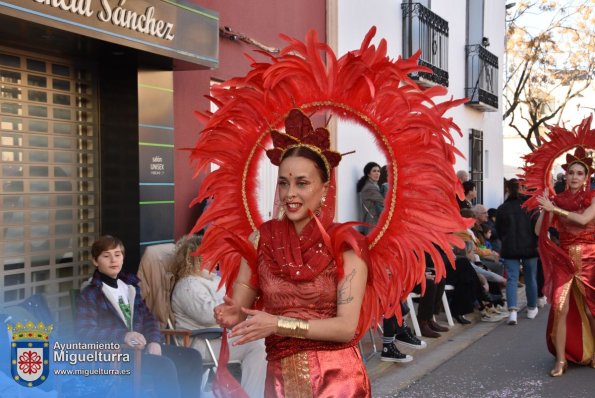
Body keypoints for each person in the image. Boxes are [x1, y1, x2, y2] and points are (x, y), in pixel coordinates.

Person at [213, 110, 371, 396]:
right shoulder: (261, 238)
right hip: (279, 380)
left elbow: (347, 327)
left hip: (336, 381)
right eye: (284, 183)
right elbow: (241, 308)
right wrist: (231, 314)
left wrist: (277, 323)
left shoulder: (345, 245)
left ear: (324, 189)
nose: (289, 194)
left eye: (302, 183)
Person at [76, 235, 203, 398]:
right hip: (116, 357)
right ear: (95, 261)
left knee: (192, 357)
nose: (113, 260)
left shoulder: (129, 287)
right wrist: (123, 336)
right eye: (106, 256)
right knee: (165, 365)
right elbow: (84, 331)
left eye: (117, 254)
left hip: (140, 351)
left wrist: (154, 341)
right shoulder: (91, 293)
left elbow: (149, 319)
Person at [170, 234, 266, 398]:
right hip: (201, 342)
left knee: (263, 341)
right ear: (196, 258)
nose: (215, 258)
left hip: (218, 338)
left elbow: (232, 307)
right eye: (210, 254)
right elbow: (209, 315)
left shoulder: (214, 279)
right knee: (258, 346)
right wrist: (239, 312)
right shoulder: (188, 285)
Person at [535, 146, 595, 377]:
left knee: (591, 311)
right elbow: (539, 230)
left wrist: (555, 209)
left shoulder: (593, 198)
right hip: (564, 258)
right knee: (560, 309)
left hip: (590, 258)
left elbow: (583, 220)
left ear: (586, 177)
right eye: (571, 172)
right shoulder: (557, 200)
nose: (574, 177)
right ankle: (561, 360)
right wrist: (545, 208)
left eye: (580, 173)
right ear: (565, 175)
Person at [496, 178, 539, 326]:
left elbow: (499, 231)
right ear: (522, 188)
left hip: (510, 247)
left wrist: (506, 240)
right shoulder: (530, 207)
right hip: (530, 247)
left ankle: (512, 312)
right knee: (530, 278)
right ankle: (532, 308)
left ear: (507, 189)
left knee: (512, 279)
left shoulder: (502, 208)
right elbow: (537, 228)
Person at [357, 162, 384, 235]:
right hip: (372, 222)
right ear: (368, 174)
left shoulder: (374, 185)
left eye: (378, 171)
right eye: (374, 171)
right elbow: (384, 201)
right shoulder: (370, 187)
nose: (377, 173)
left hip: (373, 221)